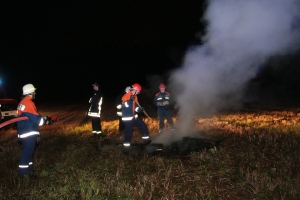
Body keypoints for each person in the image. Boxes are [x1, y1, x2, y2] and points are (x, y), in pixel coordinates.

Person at [17, 83, 54, 177]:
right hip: (29, 132)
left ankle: (29, 170)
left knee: (29, 152)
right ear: (30, 92)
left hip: (25, 131)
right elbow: (38, 121)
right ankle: (23, 174)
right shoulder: (29, 103)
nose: (35, 93)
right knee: (27, 152)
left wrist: (37, 134)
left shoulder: (22, 102)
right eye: (34, 91)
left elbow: (30, 118)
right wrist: (46, 120)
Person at [121, 83, 151, 152]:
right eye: (137, 92)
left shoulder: (135, 97)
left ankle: (146, 141)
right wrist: (130, 100)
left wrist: (140, 109)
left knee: (143, 126)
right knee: (129, 132)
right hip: (127, 118)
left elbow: (136, 108)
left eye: (138, 92)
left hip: (134, 117)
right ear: (135, 89)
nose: (138, 93)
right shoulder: (126, 96)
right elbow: (124, 106)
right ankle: (125, 149)